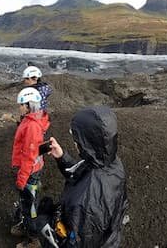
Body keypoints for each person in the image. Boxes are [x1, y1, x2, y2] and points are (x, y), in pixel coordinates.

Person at [39, 106, 129, 247]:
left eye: (77, 137)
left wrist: (46, 226)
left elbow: (76, 243)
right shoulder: (111, 163)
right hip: (109, 238)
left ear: (89, 142)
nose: (75, 141)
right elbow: (82, 173)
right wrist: (62, 157)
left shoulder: (85, 202)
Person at [10, 88, 50, 247]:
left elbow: (29, 156)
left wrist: (21, 178)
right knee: (27, 201)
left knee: (29, 205)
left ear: (29, 105)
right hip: (32, 170)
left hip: (29, 172)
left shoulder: (31, 126)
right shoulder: (29, 120)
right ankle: (25, 226)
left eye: (21, 104)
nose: (19, 107)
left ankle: (34, 240)